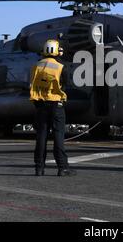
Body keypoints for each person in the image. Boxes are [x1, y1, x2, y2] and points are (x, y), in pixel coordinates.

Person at [30, 39, 76, 177]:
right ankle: (62, 168)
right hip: (57, 105)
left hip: (40, 105)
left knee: (41, 137)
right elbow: (66, 85)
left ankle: (39, 168)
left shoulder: (36, 66)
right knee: (58, 136)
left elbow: (32, 84)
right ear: (57, 51)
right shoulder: (61, 67)